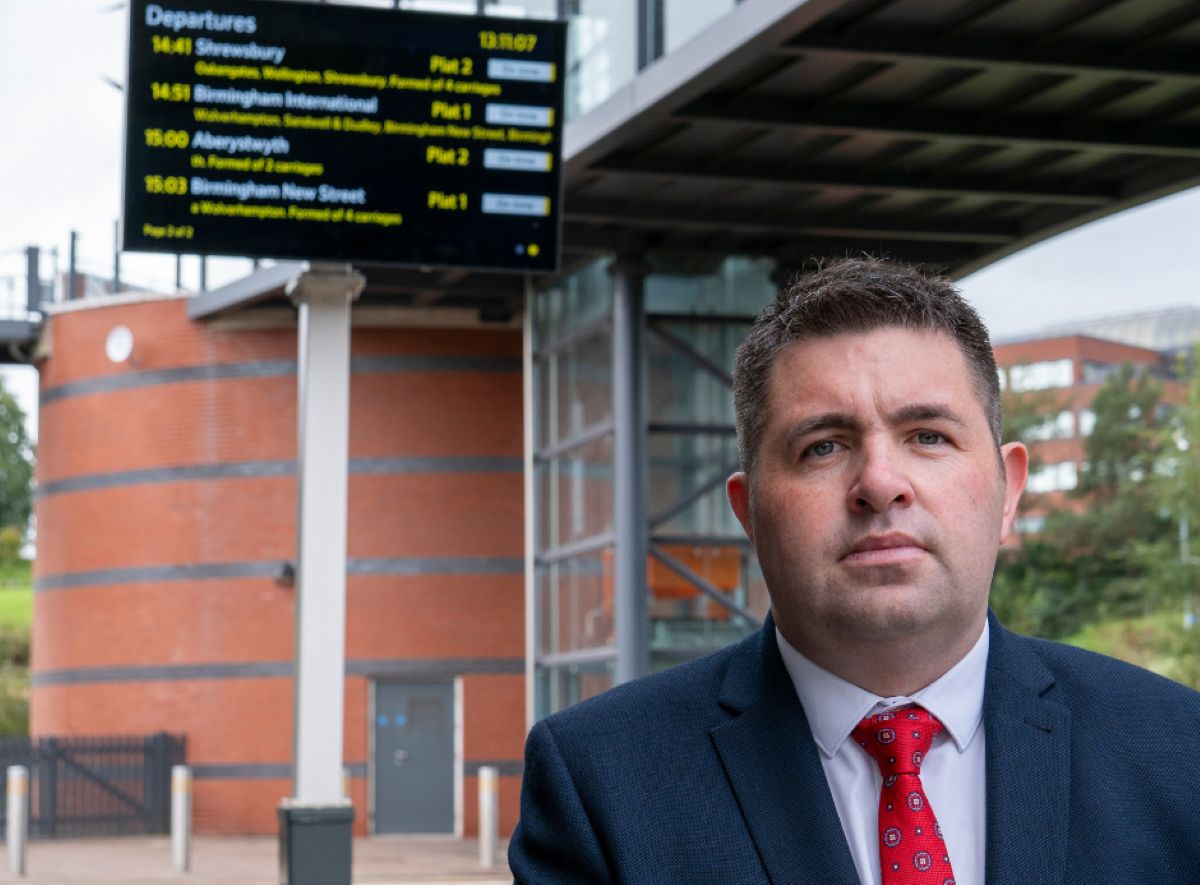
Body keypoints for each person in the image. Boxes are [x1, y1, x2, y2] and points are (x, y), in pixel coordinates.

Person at [508, 257, 1200, 884]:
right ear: (749, 513)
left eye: (928, 435)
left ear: (1008, 489)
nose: (879, 482)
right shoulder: (600, 783)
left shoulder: (1178, 751)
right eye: (822, 446)